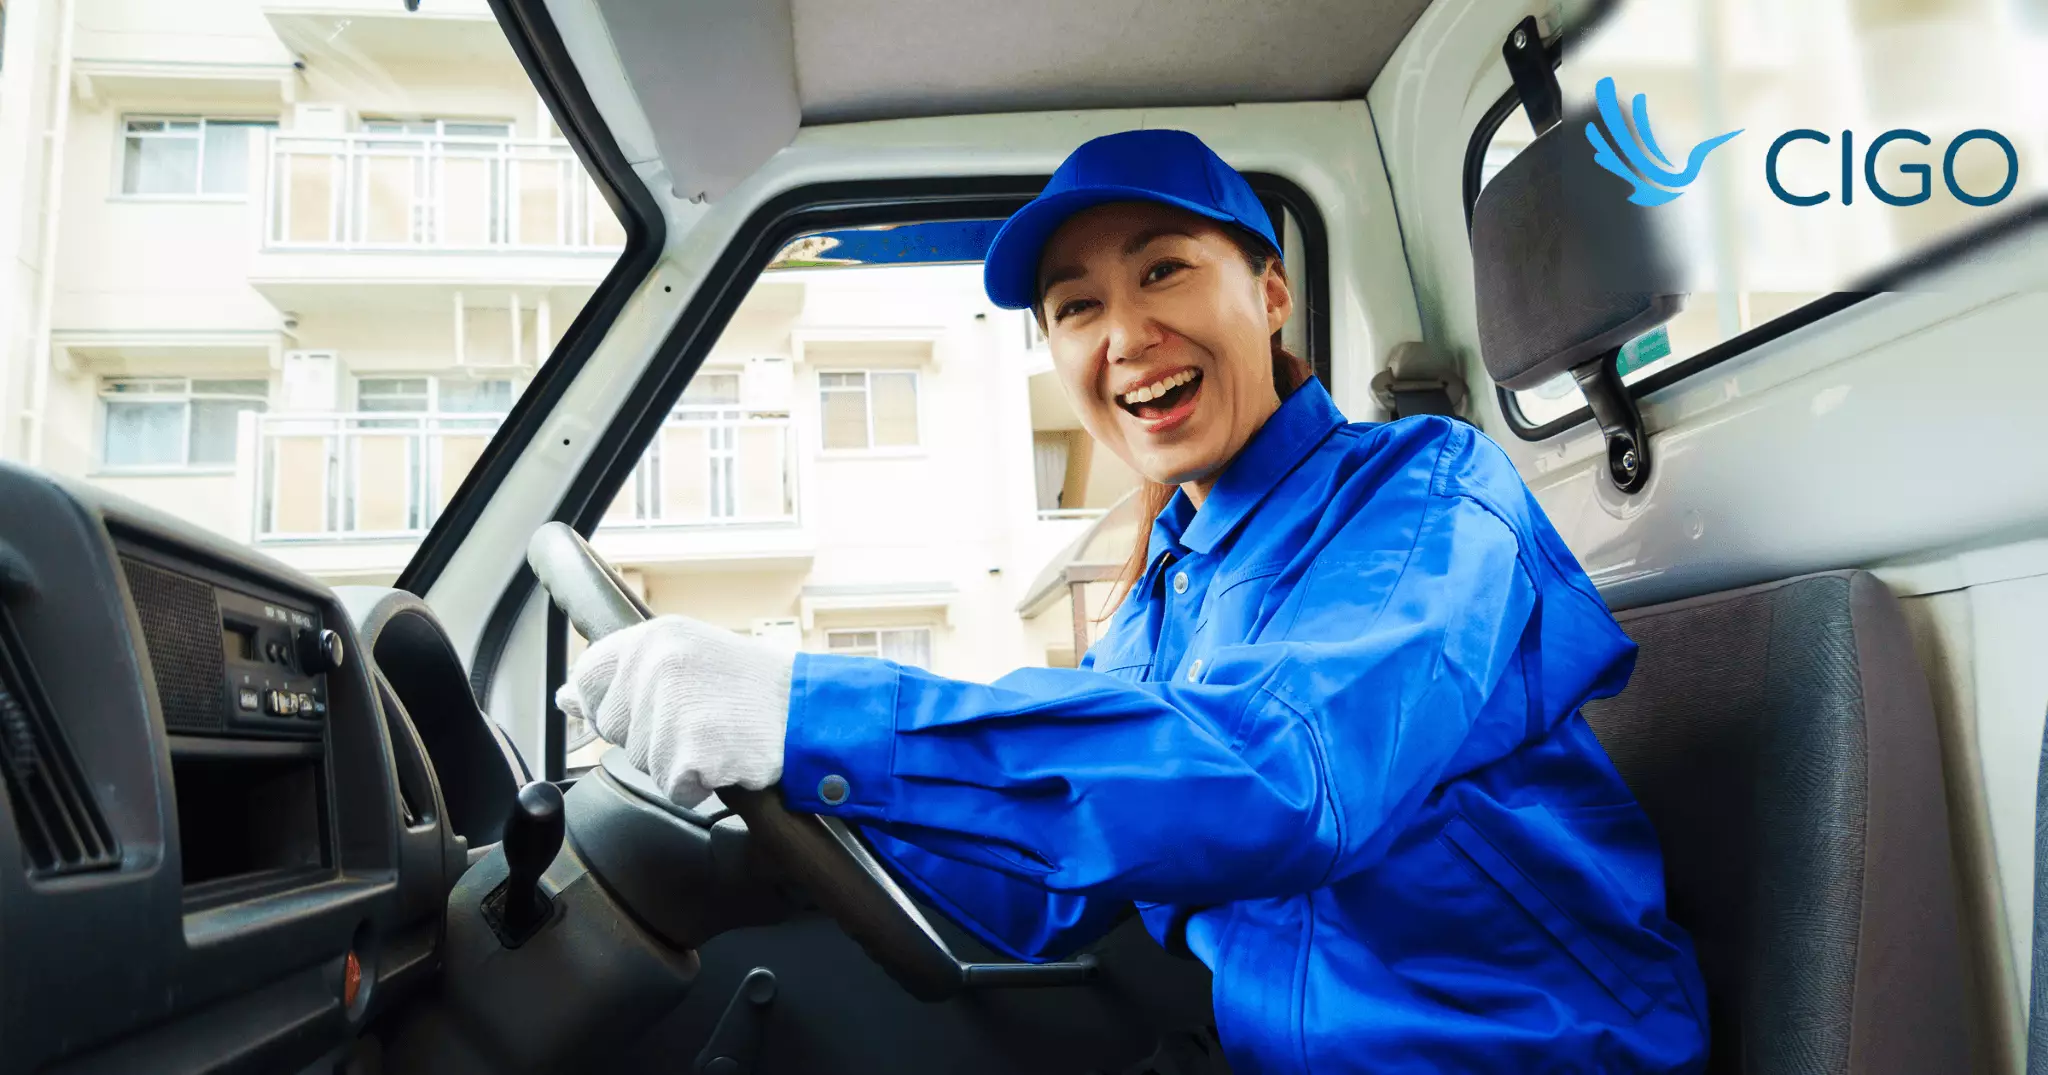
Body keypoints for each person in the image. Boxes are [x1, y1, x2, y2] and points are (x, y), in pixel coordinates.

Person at [558, 129, 1710, 1073]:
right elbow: (1051, 883)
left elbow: (1284, 774)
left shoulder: (1423, 492)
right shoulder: (1171, 581)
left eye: (1162, 270)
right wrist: (786, 810)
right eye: (1074, 307)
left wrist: (807, 711)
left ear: (1267, 292)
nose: (1122, 336)